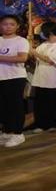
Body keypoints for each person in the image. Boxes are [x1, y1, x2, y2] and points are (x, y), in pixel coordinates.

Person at [31, 21, 56, 132]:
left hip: (54, 79)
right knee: (41, 102)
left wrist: (34, 52)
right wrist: (30, 48)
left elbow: (51, 61)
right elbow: (35, 57)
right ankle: (43, 124)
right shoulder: (43, 45)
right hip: (40, 78)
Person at [0, 14, 30, 147]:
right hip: (1, 77)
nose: (8, 27)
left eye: (12, 24)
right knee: (3, 106)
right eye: (5, 24)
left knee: (15, 105)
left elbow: (22, 58)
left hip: (15, 77)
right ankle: (6, 132)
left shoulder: (21, 41)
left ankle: (18, 133)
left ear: (17, 26)